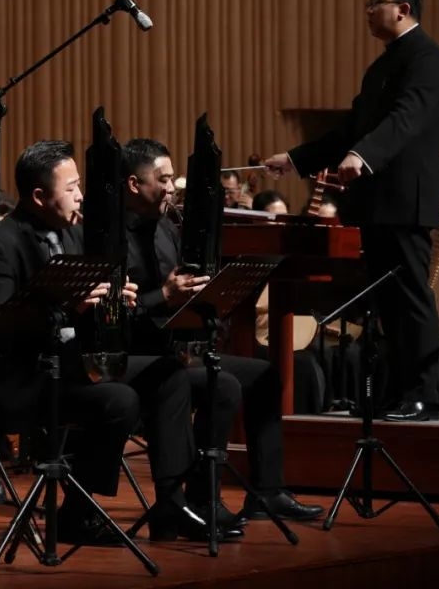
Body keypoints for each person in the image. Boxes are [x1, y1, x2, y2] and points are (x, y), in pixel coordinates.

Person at [265, 0, 439, 422]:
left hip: (405, 201)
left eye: (376, 2)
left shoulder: (427, 58)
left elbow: (405, 118)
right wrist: (296, 158)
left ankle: (423, 395)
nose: (368, 10)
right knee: (387, 304)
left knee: (410, 299)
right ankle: (396, 393)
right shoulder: (380, 67)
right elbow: (350, 131)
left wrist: (363, 155)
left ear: (403, 9)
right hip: (377, 203)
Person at [120, 138, 324, 522]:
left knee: (264, 375)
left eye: (172, 179)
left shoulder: (167, 228)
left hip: (177, 350)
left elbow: (185, 289)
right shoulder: (112, 237)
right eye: (163, 180)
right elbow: (116, 315)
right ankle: (202, 501)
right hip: (141, 358)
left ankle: (267, 493)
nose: (171, 188)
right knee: (223, 384)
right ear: (133, 184)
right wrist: (163, 296)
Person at [0, 140, 145, 545]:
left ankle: (158, 505)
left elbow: (85, 312)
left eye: (79, 184)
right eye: (71, 188)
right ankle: (77, 515)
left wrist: (115, 302)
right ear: (39, 196)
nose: (81, 195)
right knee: (118, 401)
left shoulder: (75, 235)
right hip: (18, 381)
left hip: (68, 369)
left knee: (159, 377)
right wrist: (69, 305)